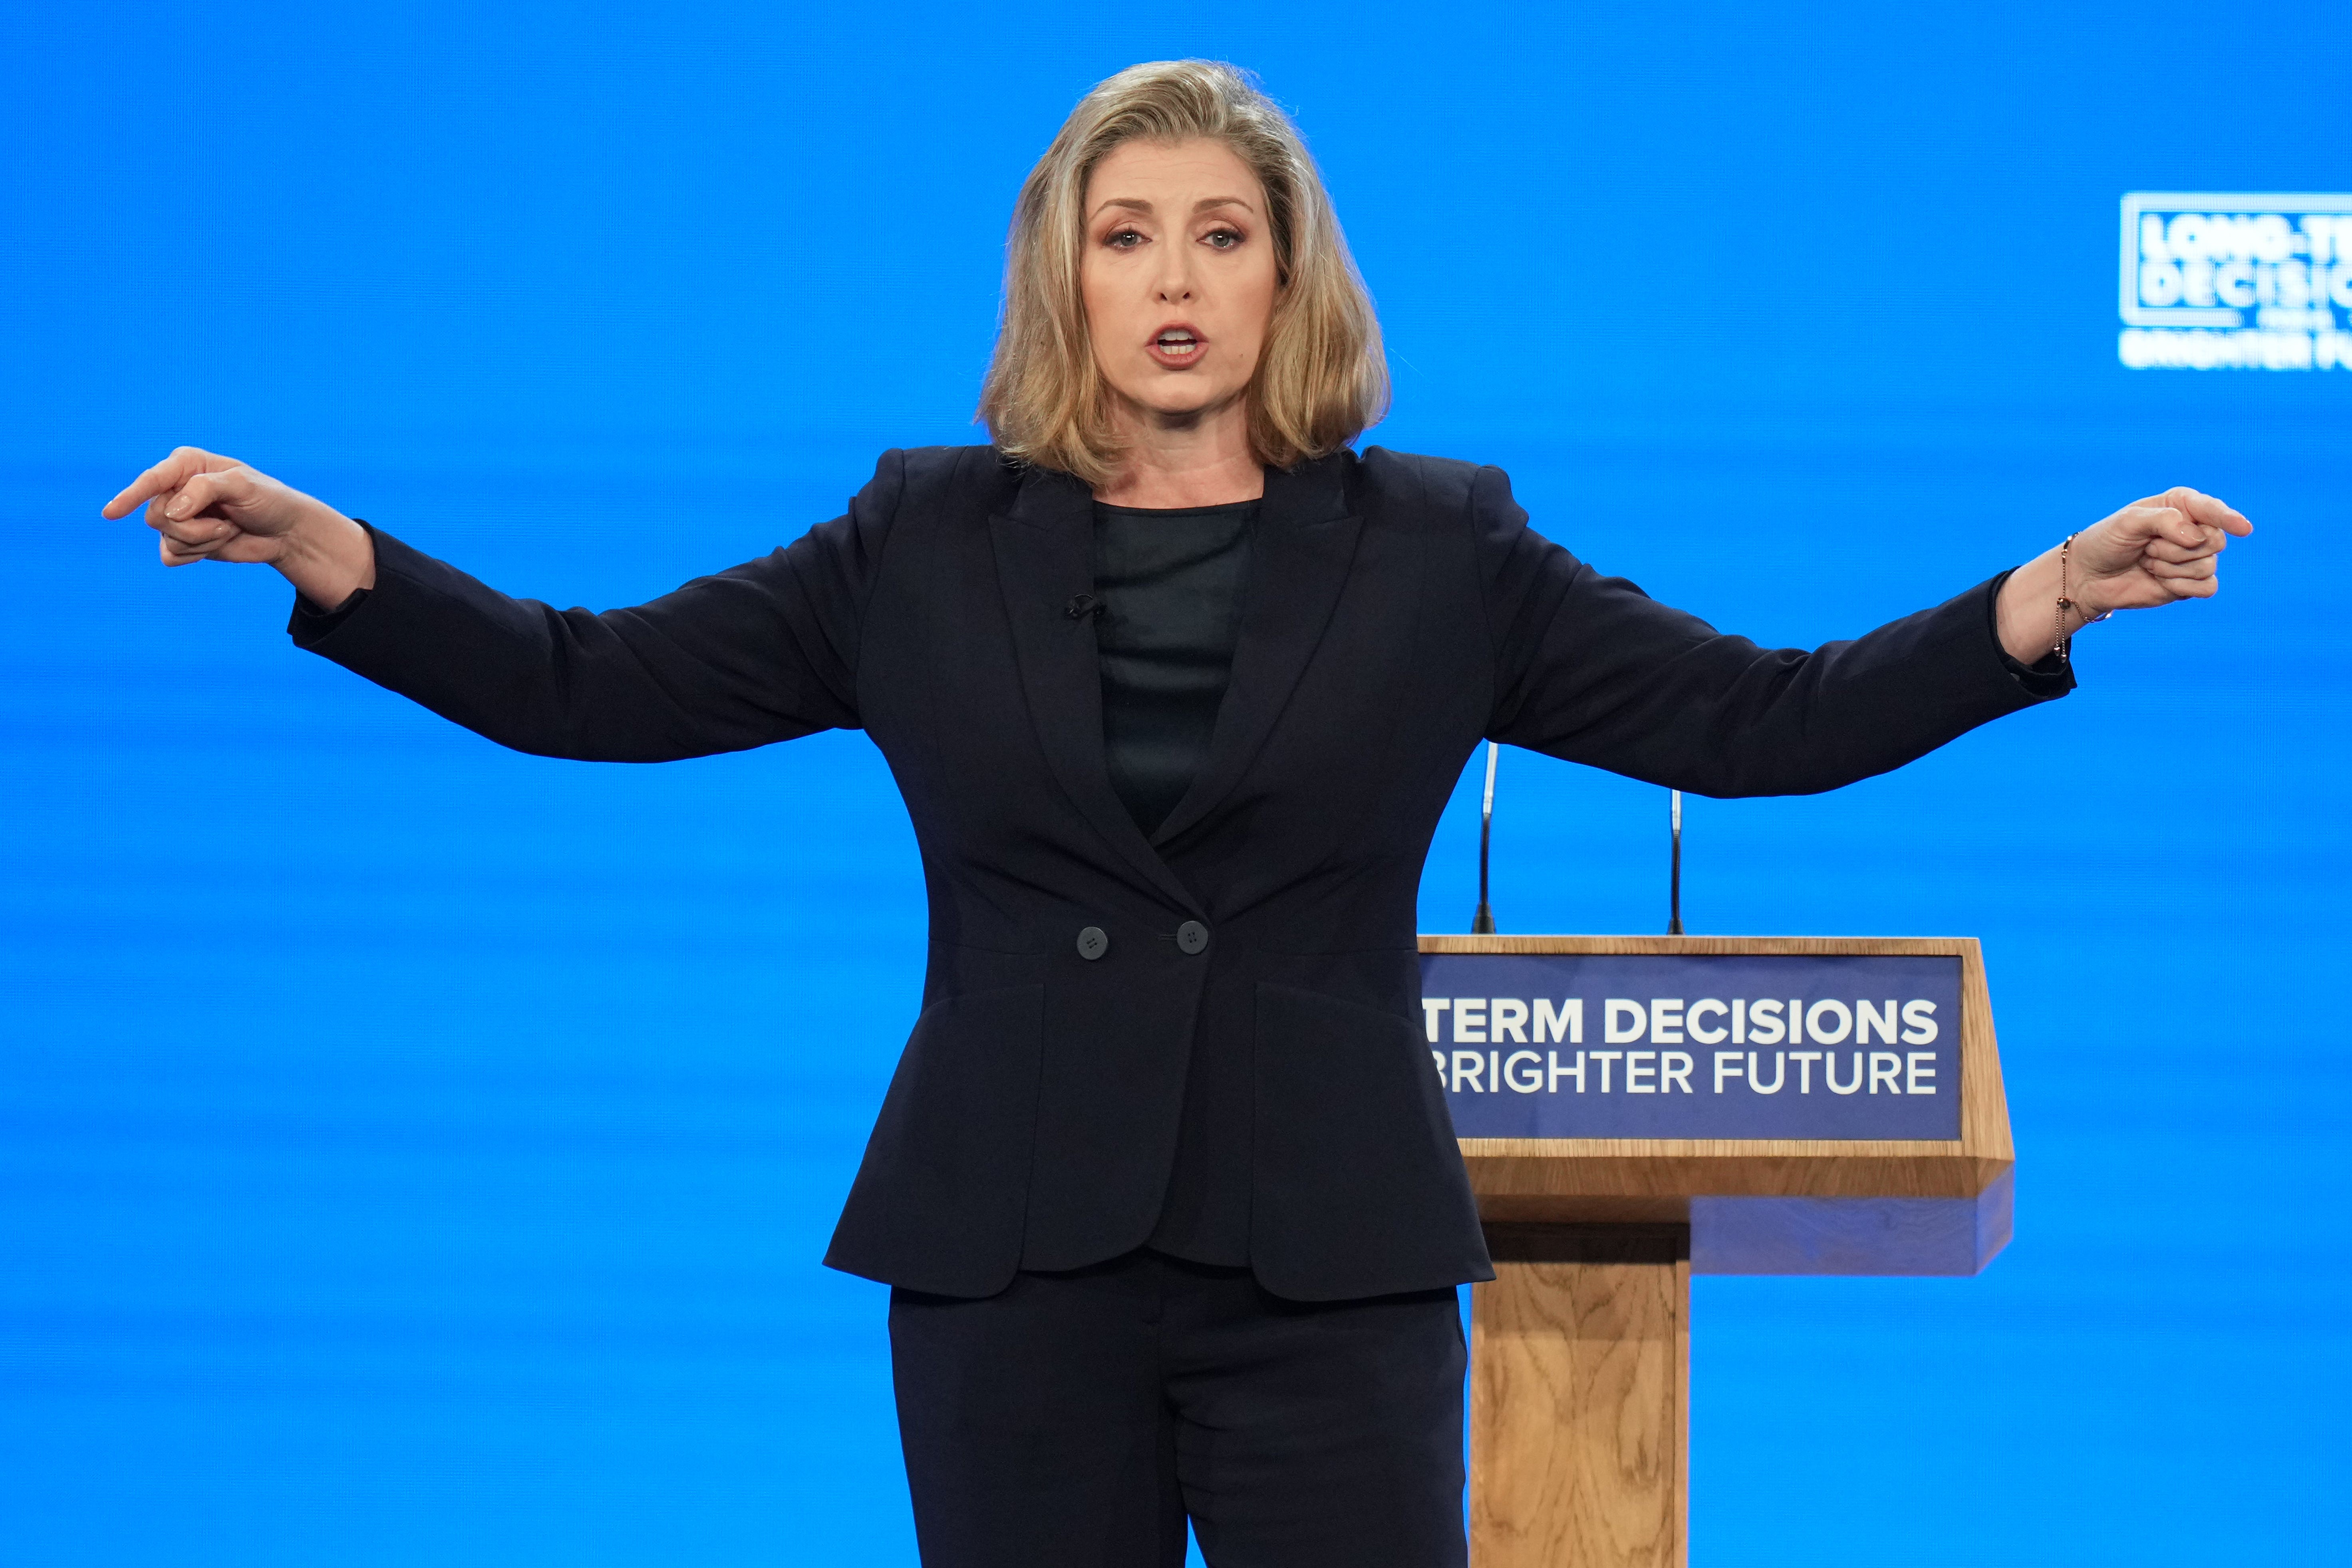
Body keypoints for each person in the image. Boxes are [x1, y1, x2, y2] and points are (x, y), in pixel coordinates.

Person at [100, 58, 2247, 1568]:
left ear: (1289, 276)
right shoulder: (916, 540)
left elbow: (1757, 719)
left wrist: (2035, 602)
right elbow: (593, 685)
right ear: (1068, 274)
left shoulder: (1443, 546)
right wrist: (335, 557)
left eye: (1223, 233)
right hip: (1009, 1262)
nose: (1177, 276)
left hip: (1330, 1271)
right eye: (1129, 235)